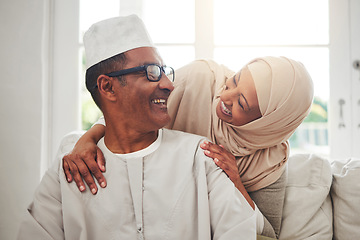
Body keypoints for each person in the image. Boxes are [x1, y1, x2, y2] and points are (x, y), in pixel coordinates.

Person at [17, 15, 256, 240]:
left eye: (164, 71)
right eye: (152, 72)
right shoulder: (71, 167)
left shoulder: (200, 156)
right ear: (108, 87)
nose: (169, 85)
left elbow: (239, 230)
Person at [63, 52, 314, 238]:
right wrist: (89, 137)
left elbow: (267, 234)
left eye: (242, 104)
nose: (224, 97)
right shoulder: (198, 80)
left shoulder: (269, 161)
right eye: (234, 81)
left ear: (267, 123)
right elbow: (130, 109)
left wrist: (236, 182)